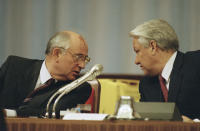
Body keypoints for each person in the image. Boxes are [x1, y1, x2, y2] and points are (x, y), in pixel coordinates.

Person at [0, 31, 92, 118]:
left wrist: (8, 113)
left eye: (85, 59)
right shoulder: (14, 67)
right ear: (57, 53)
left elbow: (51, 113)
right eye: (78, 57)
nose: (82, 65)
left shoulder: (78, 88)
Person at [129, 19, 200, 119]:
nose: (136, 61)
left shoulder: (196, 63)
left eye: (137, 51)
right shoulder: (146, 84)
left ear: (153, 47)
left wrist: (195, 125)